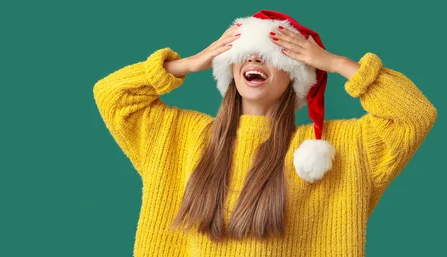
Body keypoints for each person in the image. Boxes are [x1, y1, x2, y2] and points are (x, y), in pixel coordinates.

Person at [93, 10, 437, 257]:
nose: (255, 59)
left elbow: (413, 114)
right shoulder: (179, 136)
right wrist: (186, 64)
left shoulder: (334, 149)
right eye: (245, 54)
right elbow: (112, 95)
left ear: (294, 75)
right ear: (230, 69)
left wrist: (335, 63)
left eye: (273, 55)